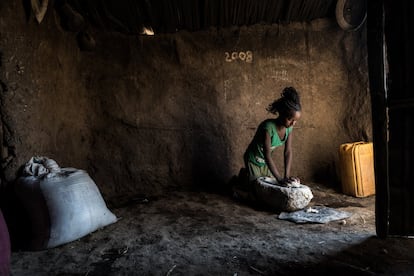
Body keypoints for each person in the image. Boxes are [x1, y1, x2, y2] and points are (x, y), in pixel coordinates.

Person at [242, 86, 302, 191]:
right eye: (290, 119)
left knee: (270, 189)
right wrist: (279, 179)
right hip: (253, 160)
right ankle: (240, 180)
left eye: (295, 121)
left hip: (265, 163)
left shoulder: (289, 129)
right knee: (255, 192)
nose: (293, 123)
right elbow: (267, 155)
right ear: (282, 113)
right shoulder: (268, 128)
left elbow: (288, 152)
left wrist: (286, 177)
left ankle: (245, 176)